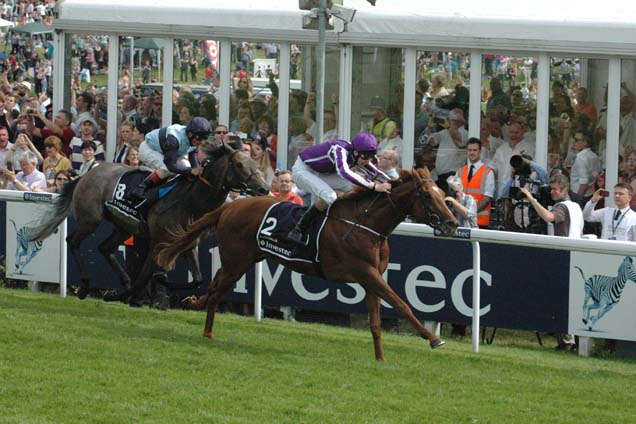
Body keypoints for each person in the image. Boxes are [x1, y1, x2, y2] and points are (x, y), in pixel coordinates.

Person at [288, 132, 391, 245]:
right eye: (365, 157)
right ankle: (298, 229)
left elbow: (375, 172)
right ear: (356, 152)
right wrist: (375, 186)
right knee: (330, 196)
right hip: (303, 170)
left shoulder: (358, 154)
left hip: (321, 172)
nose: (367, 161)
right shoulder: (339, 149)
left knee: (355, 187)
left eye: (371, 157)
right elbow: (344, 172)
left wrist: (393, 182)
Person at [520, 174, 582, 350]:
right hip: (575, 255)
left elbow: (548, 217)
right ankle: (571, 339)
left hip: (564, 257)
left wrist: (531, 199)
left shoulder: (562, 207)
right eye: (552, 188)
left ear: (565, 189)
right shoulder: (576, 206)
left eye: (555, 189)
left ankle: (567, 341)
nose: (552, 192)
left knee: (562, 300)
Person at [127, 116, 211, 202]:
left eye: (204, 139)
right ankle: (140, 188)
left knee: (187, 167)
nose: (201, 142)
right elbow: (171, 166)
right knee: (167, 169)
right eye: (199, 138)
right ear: (190, 134)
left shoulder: (192, 139)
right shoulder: (174, 139)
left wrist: (196, 171)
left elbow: (194, 163)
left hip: (167, 151)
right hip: (148, 148)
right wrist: (190, 171)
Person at [455, 138, 495, 229]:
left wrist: (470, 213)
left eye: (475, 150)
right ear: (466, 151)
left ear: (480, 152)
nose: (472, 153)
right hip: (461, 221)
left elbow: (487, 199)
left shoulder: (488, 172)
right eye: (469, 150)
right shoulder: (460, 171)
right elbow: (455, 196)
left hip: (480, 221)